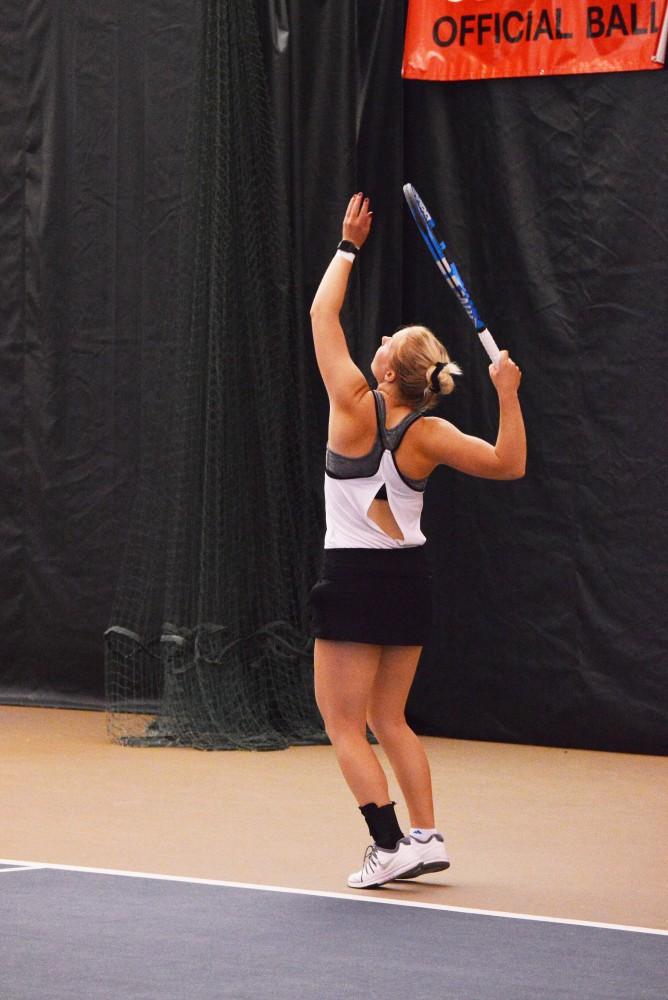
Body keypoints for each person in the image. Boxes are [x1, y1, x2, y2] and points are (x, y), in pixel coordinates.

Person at [309, 193, 526, 889]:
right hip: (408, 581)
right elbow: (508, 463)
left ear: (388, 371)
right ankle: (426, 836)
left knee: (345, 725)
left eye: (385, 343)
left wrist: (347, 246)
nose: (374, 344)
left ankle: (389, 843)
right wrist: (509, 393)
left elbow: (322, 315)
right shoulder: (429, 433)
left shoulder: (350, 403)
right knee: (389, 716)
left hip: (350, 579)